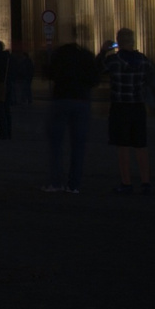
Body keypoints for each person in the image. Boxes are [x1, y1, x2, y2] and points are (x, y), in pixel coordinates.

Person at [43, 32, 100, 193]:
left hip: (61, 100)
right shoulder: (86, 55)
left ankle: (55, 182)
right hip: (81, 101)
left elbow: (49, 74)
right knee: (78, 146)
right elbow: (95, 79)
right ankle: (74, 184)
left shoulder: (58, 55)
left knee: (56, 145)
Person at [99, 28, 153, 195]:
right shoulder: (144, 60)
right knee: (140, 146)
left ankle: (126, 182)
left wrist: (102, 51)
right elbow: (151, 78)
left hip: (120, 107)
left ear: (118, 42)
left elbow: (97, 70)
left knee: (122, 146)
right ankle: (145, 182)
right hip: (138, 106)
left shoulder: (114, 60)